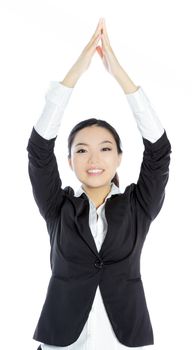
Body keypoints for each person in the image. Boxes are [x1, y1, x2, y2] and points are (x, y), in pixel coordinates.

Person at [26, 18, 172, 350]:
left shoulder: (139, 205)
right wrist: (76, 72)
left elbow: (159, 152)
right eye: (82, 150)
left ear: (120, 157)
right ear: (70, 161)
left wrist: (119, 75)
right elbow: (38, 151)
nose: (94, 160)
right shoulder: (57, 206)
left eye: (105, 149)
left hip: (123, 340)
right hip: (62, 341)